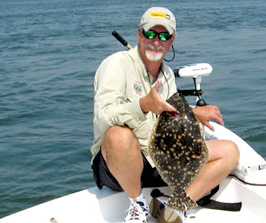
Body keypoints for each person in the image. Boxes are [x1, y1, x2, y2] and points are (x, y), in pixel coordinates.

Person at [91, 7, 239, 223]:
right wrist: (143, 105)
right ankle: (138, 205)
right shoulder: (116, 65)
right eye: (150, 34)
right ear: (139, 35)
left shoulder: (167, 74)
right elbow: (103, 116)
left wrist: (192, 114)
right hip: (119, 164)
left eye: (164, 36)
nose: (156, 41)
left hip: (158, 159)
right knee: (118, 135)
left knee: (229, 151)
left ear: (172, 41)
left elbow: (170, 119)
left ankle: (175, 207)